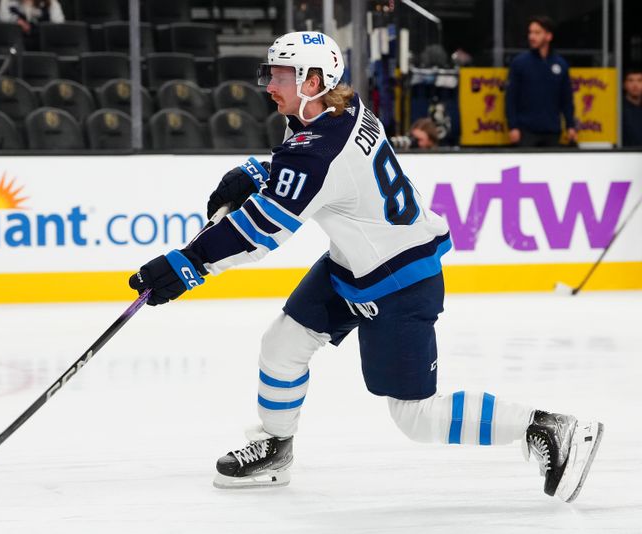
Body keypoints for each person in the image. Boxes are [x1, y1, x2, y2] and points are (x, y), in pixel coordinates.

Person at [128, 32, 603, 501]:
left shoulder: (318, 150)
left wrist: (187, 264)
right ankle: (276, 448)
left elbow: (259, 232)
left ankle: (549, 428)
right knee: (282, 344)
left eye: (280, 75)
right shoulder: (339, 108)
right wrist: (261, 172)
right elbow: (314, 170)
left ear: (313, 80)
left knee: (415, 416)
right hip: (355, 262)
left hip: (399, 278)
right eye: (270, 73)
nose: (269, 85)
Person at [506, 15, 577, 147]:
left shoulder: (560, 64)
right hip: (526, 131)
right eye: (530, 32)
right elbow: (511, 98)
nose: (531, 37)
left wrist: (570, 125)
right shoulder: (519, 63)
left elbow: (566, 99)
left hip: (552, 131)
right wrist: (513, 126)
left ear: (549, 36)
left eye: (537, 33)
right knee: (526, 167)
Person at [622, 68, 642, 147]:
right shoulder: (618, 110)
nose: (635, 85)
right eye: (630, 80)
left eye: (640, 80)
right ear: (624, 84)